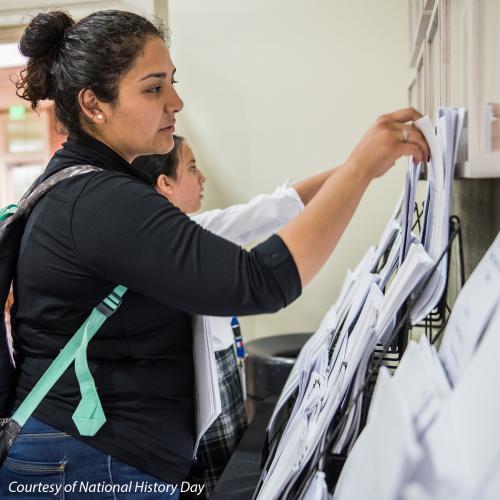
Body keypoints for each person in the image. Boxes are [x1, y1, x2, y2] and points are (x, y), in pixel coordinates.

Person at [1, 8, 429, 499]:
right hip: (86, 465)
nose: (176, 102)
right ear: (94, 106)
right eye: (154, 87)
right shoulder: (99, 202)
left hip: (91, 458)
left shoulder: (90, 191)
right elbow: (258, 281)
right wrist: (359, 172)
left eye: (172, 83)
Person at [133, 136, 338, 495]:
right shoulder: (193, 234)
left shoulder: (185, 237)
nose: (203, 177)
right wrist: (353, 171)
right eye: (192, 167)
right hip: (205, 411)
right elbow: (274, 209)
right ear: (164, 184)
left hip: (221, 391)